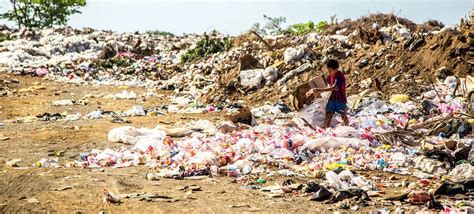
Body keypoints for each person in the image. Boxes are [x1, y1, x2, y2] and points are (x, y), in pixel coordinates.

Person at [306, 59, 349, 128]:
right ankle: (326, 130)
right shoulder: (330, 77)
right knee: (329, 113)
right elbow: (329, 86)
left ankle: (348, 127)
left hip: (340, 99)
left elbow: (333, 87)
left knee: (343, 114)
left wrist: (317, 89)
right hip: (332, 98)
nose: (329, 73)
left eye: (330, 71)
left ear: (336, 69)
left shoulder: (340, 77)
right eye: (328, 71)